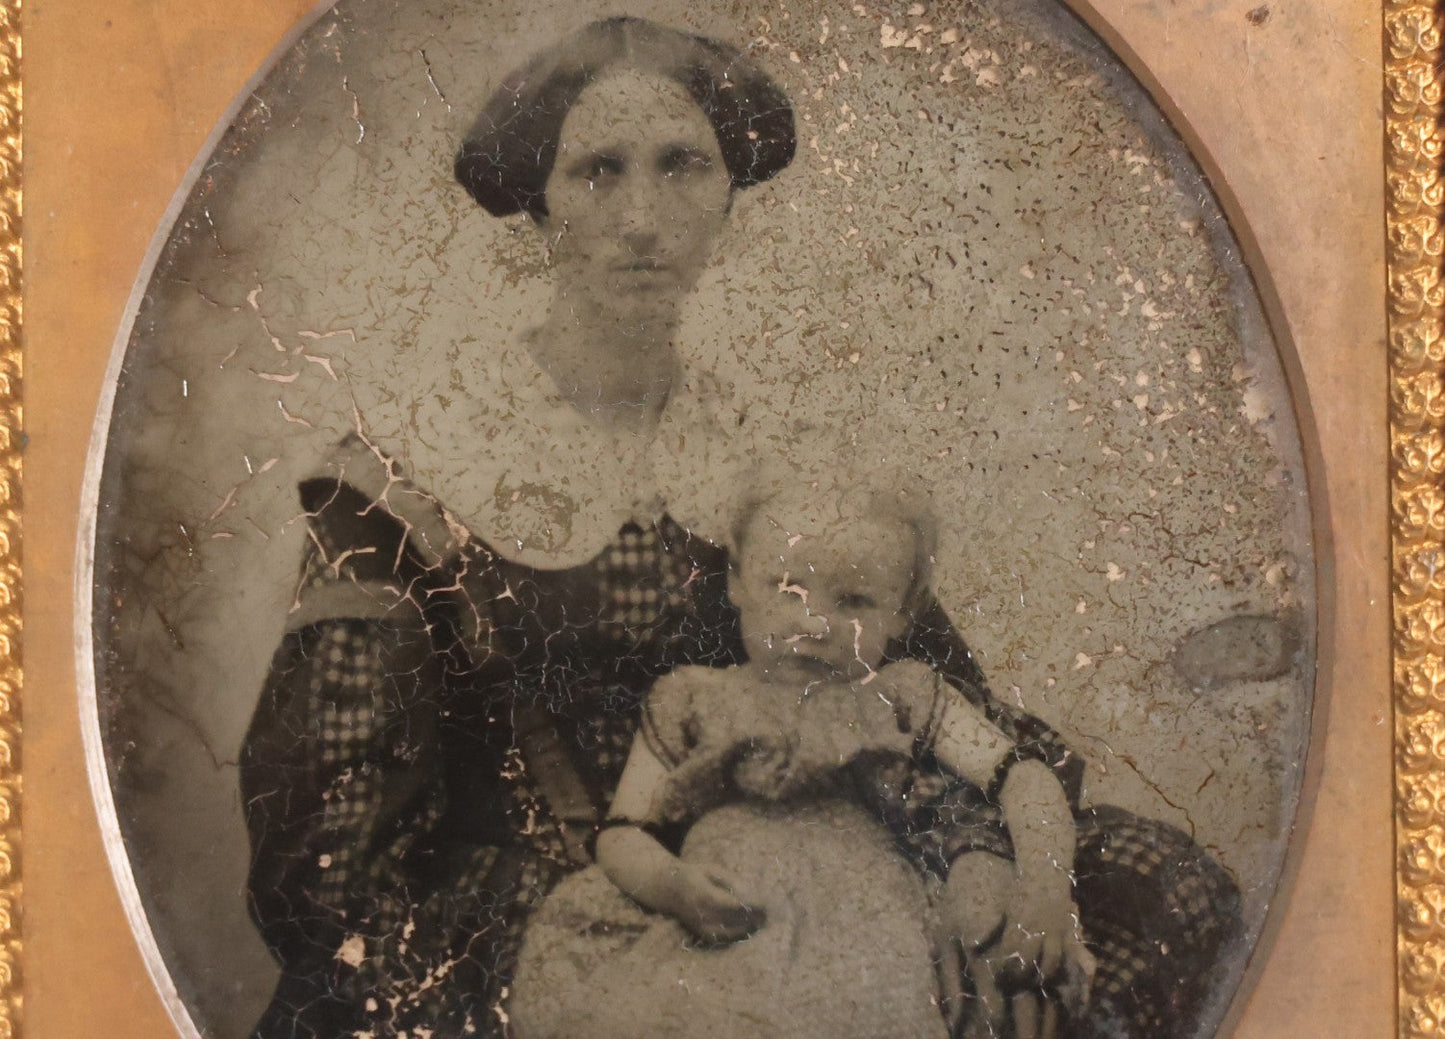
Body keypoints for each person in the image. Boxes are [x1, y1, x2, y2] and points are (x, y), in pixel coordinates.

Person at [240, 16, 1239, 1039]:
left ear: (728, 202)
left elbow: (931, 696)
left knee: (1165, 888)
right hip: (559, 913)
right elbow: (328, 861)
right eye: (596, 171)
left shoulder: (774, 459)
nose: (642, 217)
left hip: (826, 868)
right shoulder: (411, 472)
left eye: (682, 167)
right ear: (538, 210)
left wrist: (969, 869)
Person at [593, 476, 1093, 1038]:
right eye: (788, 589)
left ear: (904, 613)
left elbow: (1023, 776)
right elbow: (621, 831)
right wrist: (674, 886)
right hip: (728, 914)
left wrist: (1046, 886)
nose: (815, 625)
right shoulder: (690, 697)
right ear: (735, 581)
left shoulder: (900, 694)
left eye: (854, 601)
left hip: (868, 930)